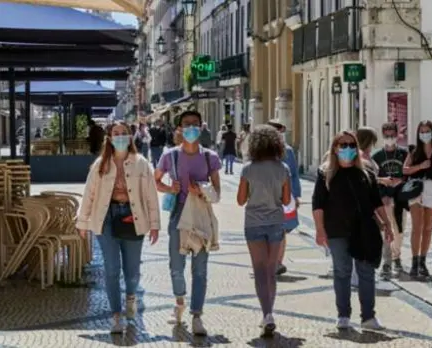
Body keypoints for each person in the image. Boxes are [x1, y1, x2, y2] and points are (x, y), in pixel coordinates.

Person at [76, 121, 160, 333]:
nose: (120, 136)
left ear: (130, 137)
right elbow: (89, 194)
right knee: (111, 269)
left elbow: (151, 196)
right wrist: (82, 222)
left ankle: (131, 296)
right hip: (105, 218)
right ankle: (115, 315)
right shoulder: (100, 165)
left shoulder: (141, 163)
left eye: (124, 133)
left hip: (133, 218)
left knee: (132, 271)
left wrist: (155, 225)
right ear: (110, 138)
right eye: (116, 133)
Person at [312, 130, 394, 330]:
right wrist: (319, 230)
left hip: (363, 229)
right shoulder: (326, 174)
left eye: (351, 145)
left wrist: (387, 224)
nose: (347, 149)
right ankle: (343, 315)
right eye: (343, 145)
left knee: (366, 272)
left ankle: (368, 316)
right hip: (337, 230)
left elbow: (376, 201)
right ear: (335, 148)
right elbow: (318, 204)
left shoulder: (366, 173)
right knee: (342, 271)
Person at [154, 110, 221, 336]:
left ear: (201, 127)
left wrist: (201, 191)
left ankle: (197, 315)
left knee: (200, 269)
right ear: (179, 129)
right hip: (178, 215)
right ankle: (179, 301)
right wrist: (168, 188)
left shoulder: (210, 157)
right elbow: (156, 181)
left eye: (195, 124)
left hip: (201, 215)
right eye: (186, 124)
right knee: (176, 266)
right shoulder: (169, 156)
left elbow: (217, 193)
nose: (191, 127)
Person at [236, 124, 291, 337]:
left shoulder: (248, 169)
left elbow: (240, 200)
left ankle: (266, 313)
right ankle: (270, 312)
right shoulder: (282, 168)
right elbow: (286, 200)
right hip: (276, 222)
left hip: (253, 223)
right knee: (271, 270)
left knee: (259, 270)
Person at [403, 121, 432, 278]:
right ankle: (414, 261)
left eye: (427, 131)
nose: (424, 134)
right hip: (416, 188)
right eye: (422, 131)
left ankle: (423, 261)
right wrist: (420, 166)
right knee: (417, 226)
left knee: (428, 227)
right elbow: (405, 169)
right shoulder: (414, 151)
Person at [371, 122, 409, 278]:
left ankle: (397, 256)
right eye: (386, 135)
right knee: (387, 230)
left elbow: (409, 174)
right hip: (384, 199)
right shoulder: (377, 156)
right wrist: (382, 195)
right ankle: (387, 262)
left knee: (399, 230)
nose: (390, 138)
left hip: (401, 199)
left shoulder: (404, 154)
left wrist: (401, 182)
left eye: (392, 135)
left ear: (397, 134)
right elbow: (373, 179)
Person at [267, 119, 302, 275]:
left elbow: (293, 174)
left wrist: (296, 195)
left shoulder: (286, 150)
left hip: (282, 196)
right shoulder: (260, 150)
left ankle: (277, 263)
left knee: (280, 231)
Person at [355, 127, 388, 284]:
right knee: (368, 241)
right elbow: (367, 182)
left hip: (374, 199)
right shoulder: (361, 157)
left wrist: (382, 180)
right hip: (369, 204)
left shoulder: (367, 156)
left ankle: (364, 274)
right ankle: (361, 276)